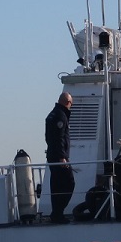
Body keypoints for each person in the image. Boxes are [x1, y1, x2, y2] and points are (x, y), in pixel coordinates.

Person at [45, 92, 75, 224]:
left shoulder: (52, 114)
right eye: (71, 104)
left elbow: (48, 137)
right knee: (69, 183)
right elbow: (59, 138)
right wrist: (62, 157)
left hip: (53, 156)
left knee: (57, 185)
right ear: (68, 103)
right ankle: (58, 213)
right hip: (59, 158)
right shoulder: (60, 116)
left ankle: (56, 213)